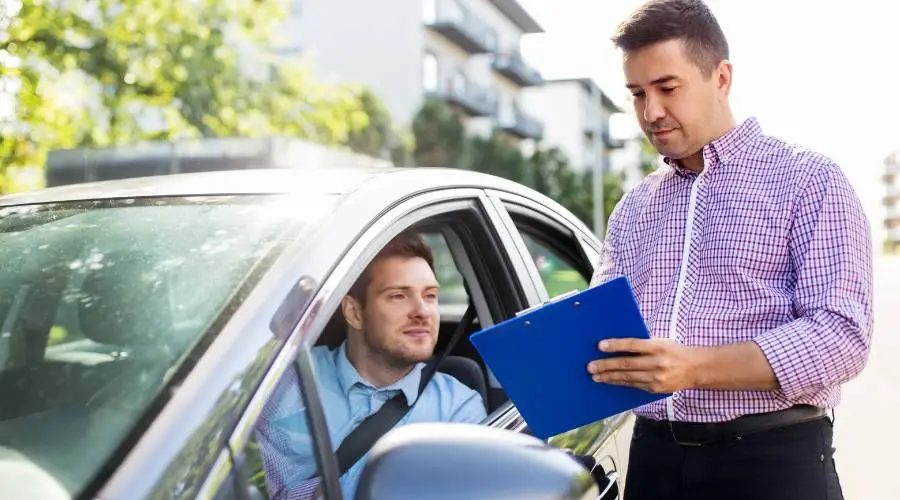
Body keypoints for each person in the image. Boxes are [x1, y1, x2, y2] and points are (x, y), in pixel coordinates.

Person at [584, 1, 873, 499]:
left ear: (721, 78)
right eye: (637, 94)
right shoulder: (633, 207)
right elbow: (603, 330)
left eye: (667, 88)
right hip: (654, 462)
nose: (651, 112)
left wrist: (693, 368)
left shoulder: (809, 180)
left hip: (772, 462)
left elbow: (841, 336)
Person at [255, 231, 487, 500]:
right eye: (398, 296)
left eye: (430, 295)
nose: (422, 311)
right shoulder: (285, 382)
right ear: (354, 312)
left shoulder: (458, 409)